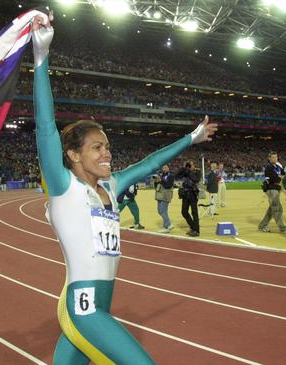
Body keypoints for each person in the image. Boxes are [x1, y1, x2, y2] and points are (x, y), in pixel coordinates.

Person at [31, 15, 217, 365]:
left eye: (107, 146)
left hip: (103, 301)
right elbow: (44, 125)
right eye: (97, 148)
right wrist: (41, 57)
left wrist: (191, 138)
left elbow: (149, 164)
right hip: (82, 307)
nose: (107, 153)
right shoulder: (64, 186)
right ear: (72, 155)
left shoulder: (112, 186)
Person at [258, 151, 286, 234]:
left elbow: (285, 176)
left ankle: (262, 225)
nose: (275, 159)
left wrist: (281, 177)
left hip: (276, 189)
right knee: (277, 209)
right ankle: (282, 228)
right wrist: (281, 177)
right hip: (271, 189)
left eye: (276, 157)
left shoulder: (277, 167)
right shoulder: (268, 167)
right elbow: (276, 179)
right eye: (273, 157)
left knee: (272, 209)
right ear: (269, 158)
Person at [176, 160, 201, 236]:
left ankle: (196, 231)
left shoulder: (197, 172)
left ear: (194, 166)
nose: (190, 167)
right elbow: (176, 175)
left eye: (191, 165)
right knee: (184, 212)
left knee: (194, 213)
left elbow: (195, 179)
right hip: (185, 194)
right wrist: (184, 168)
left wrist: (189, 171)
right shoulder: (185, 171)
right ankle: (193, 227)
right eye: (189, 165)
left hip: (193, 194)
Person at [155, 164, 175, 233]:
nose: (164, 169)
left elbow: (168, 186)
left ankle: (166, 226)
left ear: (168, 168)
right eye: (163, 168)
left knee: (163, 211)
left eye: (166, 167)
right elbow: (156, 186)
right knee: (160, 211)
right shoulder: (161, 176)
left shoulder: (171, 176)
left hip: (166, 195)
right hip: (159, 195)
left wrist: (161, 181)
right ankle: (168, 225)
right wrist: (156, 181)